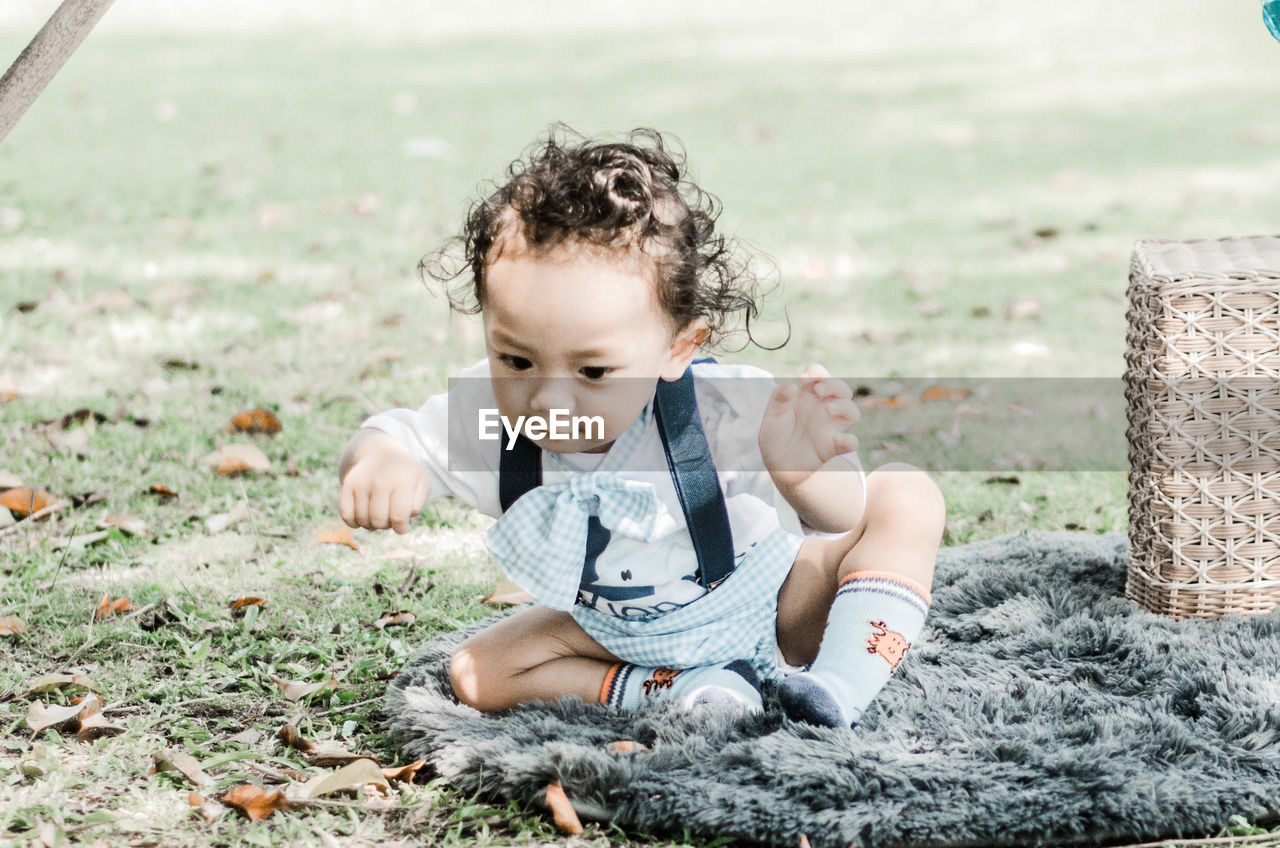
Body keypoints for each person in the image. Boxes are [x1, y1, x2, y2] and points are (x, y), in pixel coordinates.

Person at [338, 127, 945, 728]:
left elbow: (839, 516)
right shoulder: (489, 421)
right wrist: (382, 459)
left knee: (906, 494)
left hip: (776, 607)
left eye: (594, 369)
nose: (549, 397)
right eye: (516, 361)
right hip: (621, 638)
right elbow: (399, 435)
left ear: (678, 347)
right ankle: (681, 692)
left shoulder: (722, 411)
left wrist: (800, 472)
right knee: (477, 670)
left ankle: (834, 688)